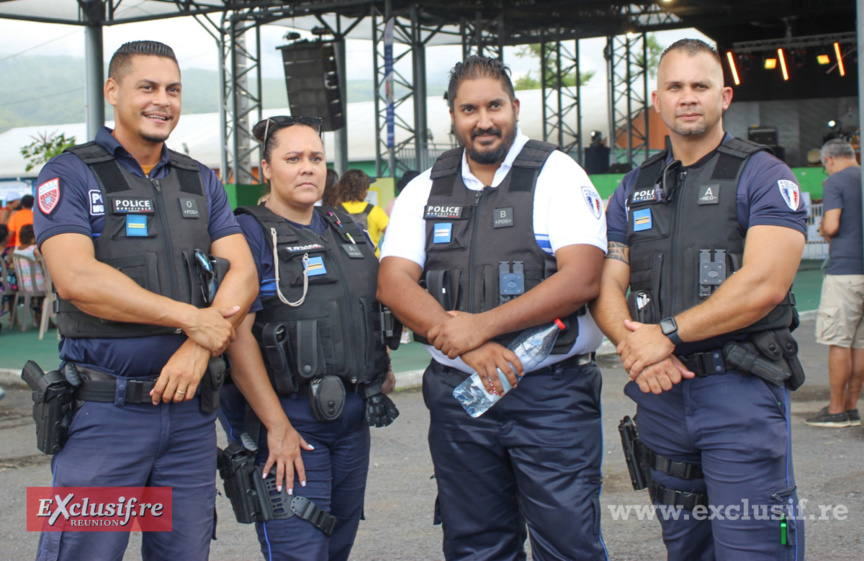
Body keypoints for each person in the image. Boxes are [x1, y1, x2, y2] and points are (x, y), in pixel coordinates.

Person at [32, 40, 257, 561]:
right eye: (148, 87)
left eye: (173, 89)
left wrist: (199, 347)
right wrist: (190, 320)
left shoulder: (200, 179)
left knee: (185, 552)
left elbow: (242, 272)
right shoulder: (69, 173)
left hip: (190, 418)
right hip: (103, 417)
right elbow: (76, 279)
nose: (163, 100)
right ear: (113, 91)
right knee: (80, 552)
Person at [378, 55, 608, 560]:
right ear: (453, 117)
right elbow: (394, 283)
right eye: (469, 109)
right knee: (476, 545)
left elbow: (582, 276)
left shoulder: (557, 175)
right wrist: (469, 346)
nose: (484, 121)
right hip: (461, 395)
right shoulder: (425, 187)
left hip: (550, 395)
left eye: (494, 106)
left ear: (515, 107)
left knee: (568, 543)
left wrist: (481, 327)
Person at [590, 39, 806, 560]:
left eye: (700, 86)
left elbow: (764, 284)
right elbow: (605, 283)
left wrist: (665, 335)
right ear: (657, 99)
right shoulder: (633, 187)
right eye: (675, 87)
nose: (688, 97)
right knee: (684, 548)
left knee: (754, 546)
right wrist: (635, 346)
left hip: (738, 391)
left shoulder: (763, 175)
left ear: (724, 97)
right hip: (661, 396)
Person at [218, 115, 398, 561]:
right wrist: (276, 427)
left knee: (338, 545)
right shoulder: (249, 232)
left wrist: (382, 366)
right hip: (289, 423)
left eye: (316, 158)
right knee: (300, 551)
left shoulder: (346, 227)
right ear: (266, 169)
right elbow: (236, 335)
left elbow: (364, 303)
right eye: (293, 158)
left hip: (353, 419)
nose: (307, 168)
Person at [807, 138, 864, 428]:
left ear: (828, 160)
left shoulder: (835, 182)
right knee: (860, 343)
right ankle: (853, 407)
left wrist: (823, 230)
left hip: (846, 272)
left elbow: (831, 225)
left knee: (839, 341)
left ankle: (836, 410)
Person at [337, 169, 388, 256]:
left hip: (346, 261)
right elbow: (393, 235)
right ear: (364, 190)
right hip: (372, 261)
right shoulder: (375, 211)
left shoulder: (335, 211)